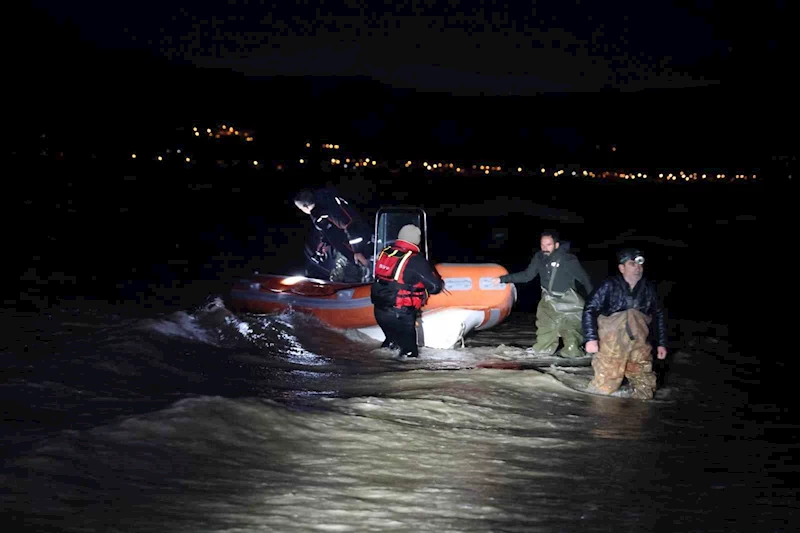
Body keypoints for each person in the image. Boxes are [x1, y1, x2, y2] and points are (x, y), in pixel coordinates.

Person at [582, 248, 668, 400]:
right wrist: (590, 338)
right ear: (622, 268)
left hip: (639, 344)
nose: (637, 267)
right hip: (611, 344)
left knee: (645, 387)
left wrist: (661, 344)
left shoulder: (648, 288)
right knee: (604, 387)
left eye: (640, 264)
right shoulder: (609, 285)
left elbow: (659, 315)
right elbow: (590, 308)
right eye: (632, 264)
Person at [491, 230, 593, 357]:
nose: (545, 248)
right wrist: (503, 279)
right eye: (542, 245)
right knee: (545, 325)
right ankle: (542, 350)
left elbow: (585, 279)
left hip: (568, 302)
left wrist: (593, 301)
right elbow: (527, 276)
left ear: (556, 245)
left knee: (571, 331)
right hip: (548, 300)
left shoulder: (568, 259)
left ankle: (575, 352)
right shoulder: (539, 258)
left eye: (548, 245)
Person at [371, 224, 444, 358]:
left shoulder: (386, 252)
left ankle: (381, 371)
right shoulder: (415, 260)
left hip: (380, 310)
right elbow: (435, 287)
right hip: (400, 314)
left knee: (391, 344)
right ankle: (403, 376)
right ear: (416, 240)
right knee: (409, 355)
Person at [294, 188, 373, 283]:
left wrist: (357, 251)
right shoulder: (320, 211)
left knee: (343, 280)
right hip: (348, 251)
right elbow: (330, 229)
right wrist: (325, 242)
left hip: (356, 251)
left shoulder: (326, 209)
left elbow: (351, 226)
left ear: (305, 206)